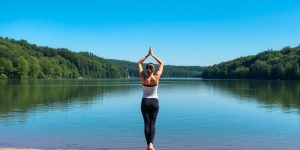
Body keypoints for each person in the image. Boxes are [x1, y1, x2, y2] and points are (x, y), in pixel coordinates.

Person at [137, 46, 164, 150]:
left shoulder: (143, 77)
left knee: (146, 123)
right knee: (153, 123)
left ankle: (148, 144)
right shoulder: (156, 77)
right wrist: (153, 55)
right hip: (155, 102)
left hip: (145, 102)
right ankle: (151, 144)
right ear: (153, 70)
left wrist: (147, 55)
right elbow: (162, 63)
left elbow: (138, 63)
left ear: (146, 69)